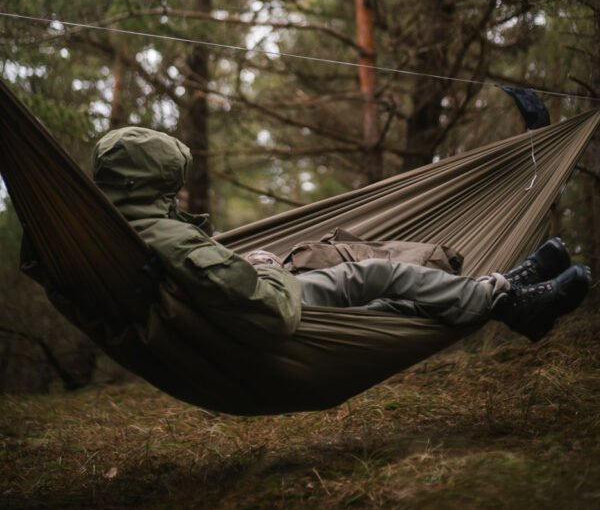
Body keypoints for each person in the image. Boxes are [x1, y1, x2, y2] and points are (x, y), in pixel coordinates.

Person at [92, 126, 591, 347]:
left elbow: (201, 266)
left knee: (341, 263)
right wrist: (265, 268)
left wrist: (247, 258)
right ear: (152, 181)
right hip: (256, 314)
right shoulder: (165, 236)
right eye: (172, 181)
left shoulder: (116, 221)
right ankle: (506, 301)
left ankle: (500, 286)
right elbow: (262, 304)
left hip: (227, 307)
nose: (179, 190)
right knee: (376, 274)